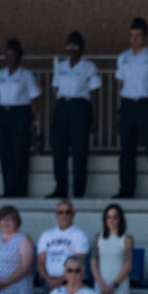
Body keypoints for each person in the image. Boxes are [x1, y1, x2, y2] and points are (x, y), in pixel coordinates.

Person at [115, 18, 148, 201]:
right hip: (128, 104)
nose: (134, 39)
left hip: (146, 104)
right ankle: (126, 189)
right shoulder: (123, 57)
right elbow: (121, 82)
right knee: (126, 150)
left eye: (138, 35)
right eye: (131, 35)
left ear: (145, 37)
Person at [49, 32, 100, 200]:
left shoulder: (89, 67)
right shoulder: (60, 66)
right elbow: (55, 89)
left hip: (80, 106)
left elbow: (95, 92)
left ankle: (79, 190)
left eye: (76, 46)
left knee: (79, 150)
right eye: (69, 46)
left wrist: (94, 117)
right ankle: (60, 187)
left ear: (82, 47)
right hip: (63, 105)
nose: (72, 49)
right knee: (59, 149)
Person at [0, 39, 40, 198]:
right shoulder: (0, 75)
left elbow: (34, 99)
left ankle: (20, 190)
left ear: (19, 56)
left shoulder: (26, 75)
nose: (11, 58)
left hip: (21, 113)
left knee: (20, 152)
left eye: (14, 55)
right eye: (8, 55)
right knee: (5, 152)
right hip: (5, 113)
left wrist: (34, 121)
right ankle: (8, 189)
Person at [94, 203, 134, 294]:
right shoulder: (97, 238)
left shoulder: (127, 239)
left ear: (120, 219)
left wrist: (114, 285)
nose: (111, 221)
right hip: (101, 285)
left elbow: (128, 264)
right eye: (108, 217)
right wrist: (101, 284)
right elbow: (94, 263)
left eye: (115, 217)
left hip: (120, 286)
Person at [36, 199, 93, 294]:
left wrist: (60, 280)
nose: (64, 215)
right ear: (56, 214)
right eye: (60, 212)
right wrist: (48, 279)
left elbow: (78, 261)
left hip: (71, 283)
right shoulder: (46, 235)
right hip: (49, 283)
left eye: (68, 212)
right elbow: (41, 262)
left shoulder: (80, 235)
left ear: (73, 214)